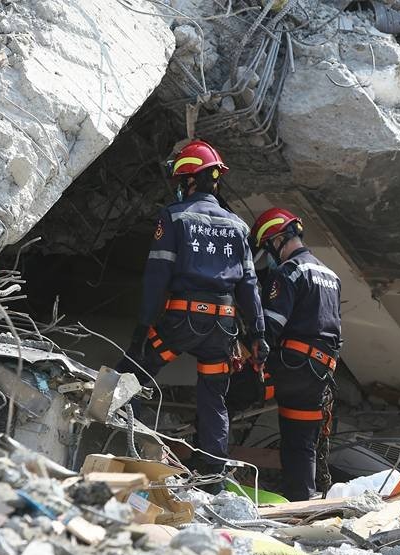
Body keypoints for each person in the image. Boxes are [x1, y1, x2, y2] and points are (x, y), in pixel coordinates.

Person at [119, 140, 268, 486]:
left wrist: (143, 326)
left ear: (188, 180)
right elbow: (249, 286)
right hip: (222, 330)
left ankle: (125, 449)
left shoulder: (174, 216)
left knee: (131, 374)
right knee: (214, 398)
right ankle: (213, 476)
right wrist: (258, 334)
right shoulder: (238, 227)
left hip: (182, 322)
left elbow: (157, 277)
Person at [250, 207, 342, 501]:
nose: (269, 256)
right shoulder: (331, 275)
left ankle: (208, 468)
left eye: (268, 248)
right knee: (301, 442)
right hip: (320, 374)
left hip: (292, 367)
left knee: (229, 392)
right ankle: (302, 501)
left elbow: (271, 327)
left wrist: (252, 354)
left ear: (278, 240)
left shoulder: (289, 271)